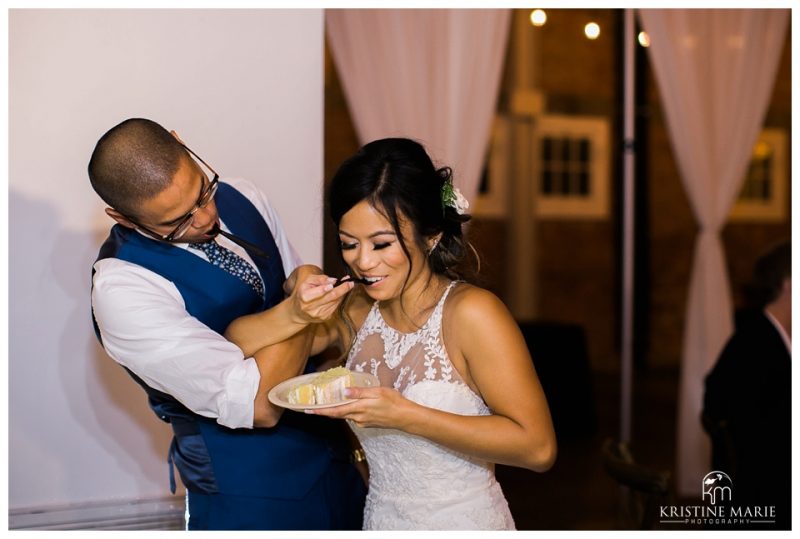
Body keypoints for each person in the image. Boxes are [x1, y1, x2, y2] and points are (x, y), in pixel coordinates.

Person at [233, 138, 557, 529]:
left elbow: (537, 448)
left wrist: (406, 416)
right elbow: (237, 345)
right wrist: (296, 302)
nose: (363, 262)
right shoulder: (354, 311)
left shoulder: (472, 314)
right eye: (349, 244)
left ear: (431, 234)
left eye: (382, 243)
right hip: (382, 521)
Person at [88, 118, 365, 530]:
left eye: (202, 190)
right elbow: (258, 404)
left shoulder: (244, 195)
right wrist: (298, 314)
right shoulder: (123, 290)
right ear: (124, 218)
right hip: (250, 499)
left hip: (338, 464)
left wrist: (302, 290)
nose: (205, 218)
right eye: (176, 222)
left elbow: (318, 323)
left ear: (181, 143)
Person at [703, 240, 791, 530]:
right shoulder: (754, 345)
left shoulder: (772, 337)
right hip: (763, 497)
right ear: (789, 284)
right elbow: (760, 433)